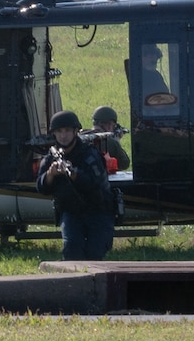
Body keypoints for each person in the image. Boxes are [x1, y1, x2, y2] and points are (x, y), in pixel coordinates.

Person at [36, 110, 116, 260]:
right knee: (72, 250)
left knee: (95, 254)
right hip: (71, 213)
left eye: (67, 131)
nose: (63, 135)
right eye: (59, 131)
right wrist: (50, 175)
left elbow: (97, 183)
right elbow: (41, 188)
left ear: (75, 132)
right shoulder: (51, 158)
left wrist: (75, 175)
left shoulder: (89, 154)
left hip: (98, 212)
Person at [88, 105, 132, 173]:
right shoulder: (110, 142)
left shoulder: (82, 136)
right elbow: (124, 163)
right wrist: (117, 142)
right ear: (109, 125)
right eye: (113, 126)